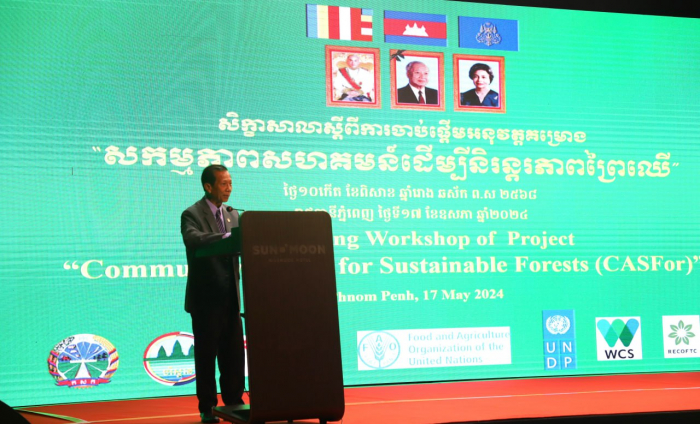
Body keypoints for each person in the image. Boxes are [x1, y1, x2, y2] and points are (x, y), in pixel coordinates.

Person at [181, 164, 245, 423]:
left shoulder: (232, 214)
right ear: (208, 186)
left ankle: (234, 402)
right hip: (206, 301)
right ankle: (207, 407)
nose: (229, 188)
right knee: (206, 357)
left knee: (234, 356)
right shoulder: (192, 213)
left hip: (231, 299)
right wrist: (225, 237)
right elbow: (193, 239)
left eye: (230, 183)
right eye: (223, 184)